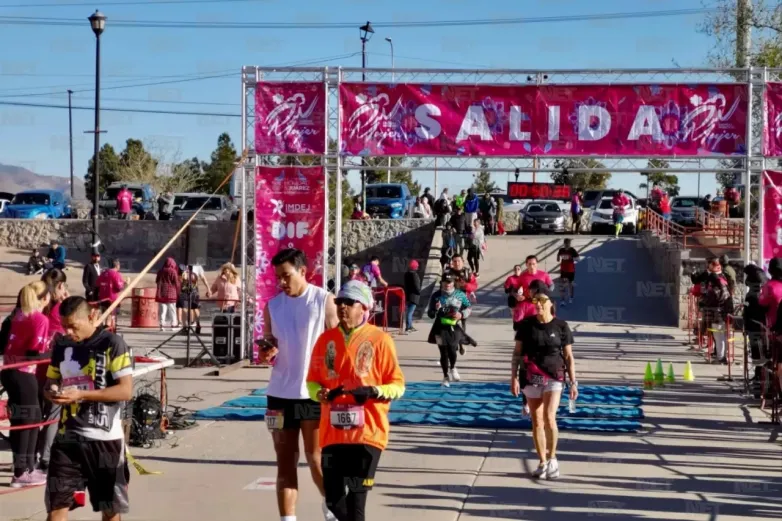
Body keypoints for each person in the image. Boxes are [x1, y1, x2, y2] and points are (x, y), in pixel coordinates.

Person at [307, 280, 405, 521]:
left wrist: (372, 391)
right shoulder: (325, 340)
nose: (342, 307)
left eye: (350, 302)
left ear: (364, 307)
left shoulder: (380, 340)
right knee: (333, 499)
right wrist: (319, 393)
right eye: (340, 301)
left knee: (356, 501)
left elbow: (397, 386)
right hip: (333, 434)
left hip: (367, 434)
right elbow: (312, 382)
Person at [259, 248, 339, 521]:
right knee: (285, 461)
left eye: (286, 276)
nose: (282, 282)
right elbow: (267, 345)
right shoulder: (272, 306)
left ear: (303, 271)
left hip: (312, 394)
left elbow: (337, 346)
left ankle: (332, 504)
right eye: (278, 277)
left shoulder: (324, 300)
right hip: (279, 395)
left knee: (315, 457)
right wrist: (266, 353)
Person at [43, 296, 133, 520]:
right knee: (56, 508)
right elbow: (50, 381)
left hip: (104, 440)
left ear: (91, 316)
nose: (68, 332)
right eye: (64, 326)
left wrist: (82, 395)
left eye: (73, 326)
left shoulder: (112, 343)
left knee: (109, 510)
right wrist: (52, 391)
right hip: (67, 438)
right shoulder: (62, 345)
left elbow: (125, 391)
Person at [510, 285, 577, 480]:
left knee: (549, 416)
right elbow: (517, 353)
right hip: (531, 375)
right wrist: (513, 377)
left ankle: (553, 458)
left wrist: (573, 382)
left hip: (555, 375)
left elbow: (569, 356)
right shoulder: (526, 325)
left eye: (542, 301)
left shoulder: (561, 326)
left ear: (550, 304)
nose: (538, 304)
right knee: (537, 420)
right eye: (535, 301)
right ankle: (542, 462)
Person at [1, 281, 50, 487]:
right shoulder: (39, 319)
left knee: (30, 419)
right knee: (27, 421)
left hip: (10, 372)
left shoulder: (17, 315)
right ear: (45, 298)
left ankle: (27, 467)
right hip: (23, 373)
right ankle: (21, 472)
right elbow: (33, 352)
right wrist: (54, 353)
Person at [38, 269, 69, 475]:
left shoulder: (40, 305)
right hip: (54, 365)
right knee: (54, 413)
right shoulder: (60, 309)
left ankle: (32, 455)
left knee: (39, 412)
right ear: (59, 286)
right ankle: (47, 457)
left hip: (36, 363)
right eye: (63, 285)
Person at [427, 276, 474, 387]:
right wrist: (435, 309)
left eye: (449, 282)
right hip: (439, 327)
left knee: (452, 349)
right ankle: (445, 377)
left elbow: (469, 307)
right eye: (445, 282)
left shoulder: (460, 294)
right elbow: (430, 314)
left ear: (453, 283)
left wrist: (461, 314)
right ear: (441, 283)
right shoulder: (436, 295)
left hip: (454, 326)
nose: (447, 284)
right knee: (443, 351)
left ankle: (452, 367)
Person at [96, 258, 127, 333]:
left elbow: (97, 284)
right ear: (117, 265)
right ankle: (108, 330)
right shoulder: (116, 274)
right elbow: (119, 287)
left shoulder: (103, 273)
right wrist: (125, 284)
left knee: (105, 315)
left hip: (102, 298)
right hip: (112, 299)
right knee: (111, 316)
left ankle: (104, 329)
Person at [155, 257, 180, 332]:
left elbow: (157, 281)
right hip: (171, 294)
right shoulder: (173, 271)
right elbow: (176, 283)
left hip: (162, 293)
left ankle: (162, 326)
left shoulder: (160, 271)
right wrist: (179, 290)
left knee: (163, 311)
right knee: (172, 311)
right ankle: (173, 325)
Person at [177, 267, 203, 335]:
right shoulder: (194, 274)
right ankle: (198, 324)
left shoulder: (184, 275)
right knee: (195, 308)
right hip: (195, 293)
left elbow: (181, 284)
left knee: (184, 309)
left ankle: (185, 327)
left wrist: (183, 278)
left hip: (186, 294)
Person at [556, 239, 579, 306]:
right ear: (564, 244)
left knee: (570, 285)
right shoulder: (561, 250)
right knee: (562, 285)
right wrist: (558, 257)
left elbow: (578, 259)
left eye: (568, 243)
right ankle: (562, 300)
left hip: (571, 270)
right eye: (566, 243)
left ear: (570, 244)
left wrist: (572, 258)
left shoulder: (572, 250)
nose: (567, 245)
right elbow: (558, 259)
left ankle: (571, 297)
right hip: (563, 270)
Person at [404, 260, 421, 333]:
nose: (417, 267)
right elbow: (416, 286)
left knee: (409, 311)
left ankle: (410, 326)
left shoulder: (406, 274)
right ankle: (408, 327)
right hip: (414, 296)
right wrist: (419, 292)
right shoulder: (414, 275)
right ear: (415, 267)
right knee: (410, 312)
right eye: (417, 266)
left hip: (408, 295)